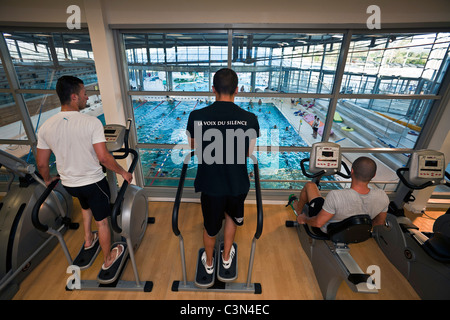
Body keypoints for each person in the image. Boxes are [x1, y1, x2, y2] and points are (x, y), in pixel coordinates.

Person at [36, 76, 132, 271]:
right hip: (93, 183)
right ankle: (108, 259)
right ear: (73, 96)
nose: (87, 98)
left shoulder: (46, 126)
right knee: (103, 221)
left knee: (85, 207)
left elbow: (41, 163)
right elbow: (104, 158)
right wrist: (123, 172)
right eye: (84, 94)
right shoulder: (91, 122)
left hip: (70, 185)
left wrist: (47, 180)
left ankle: (89, 240)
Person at [186, 68, 260, 279]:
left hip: (210, 184)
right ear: (237, 90)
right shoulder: (250, 118)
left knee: (210, 228)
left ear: (213, 90)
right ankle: (226, 257)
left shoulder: (197, 116)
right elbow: (248, 152)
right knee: (230, 219)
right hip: (237, 184)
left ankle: (209, 263)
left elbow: (192, 145)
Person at [291, 156, 389, 233]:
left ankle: (298, 211)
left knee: (310, 185)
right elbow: (379, 222)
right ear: (374, 175)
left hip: (327, 230)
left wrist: (304, 219)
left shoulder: (335, 195)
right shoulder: (383, 196)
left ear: (352, 171)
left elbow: (317, 223)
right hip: (353, 232)